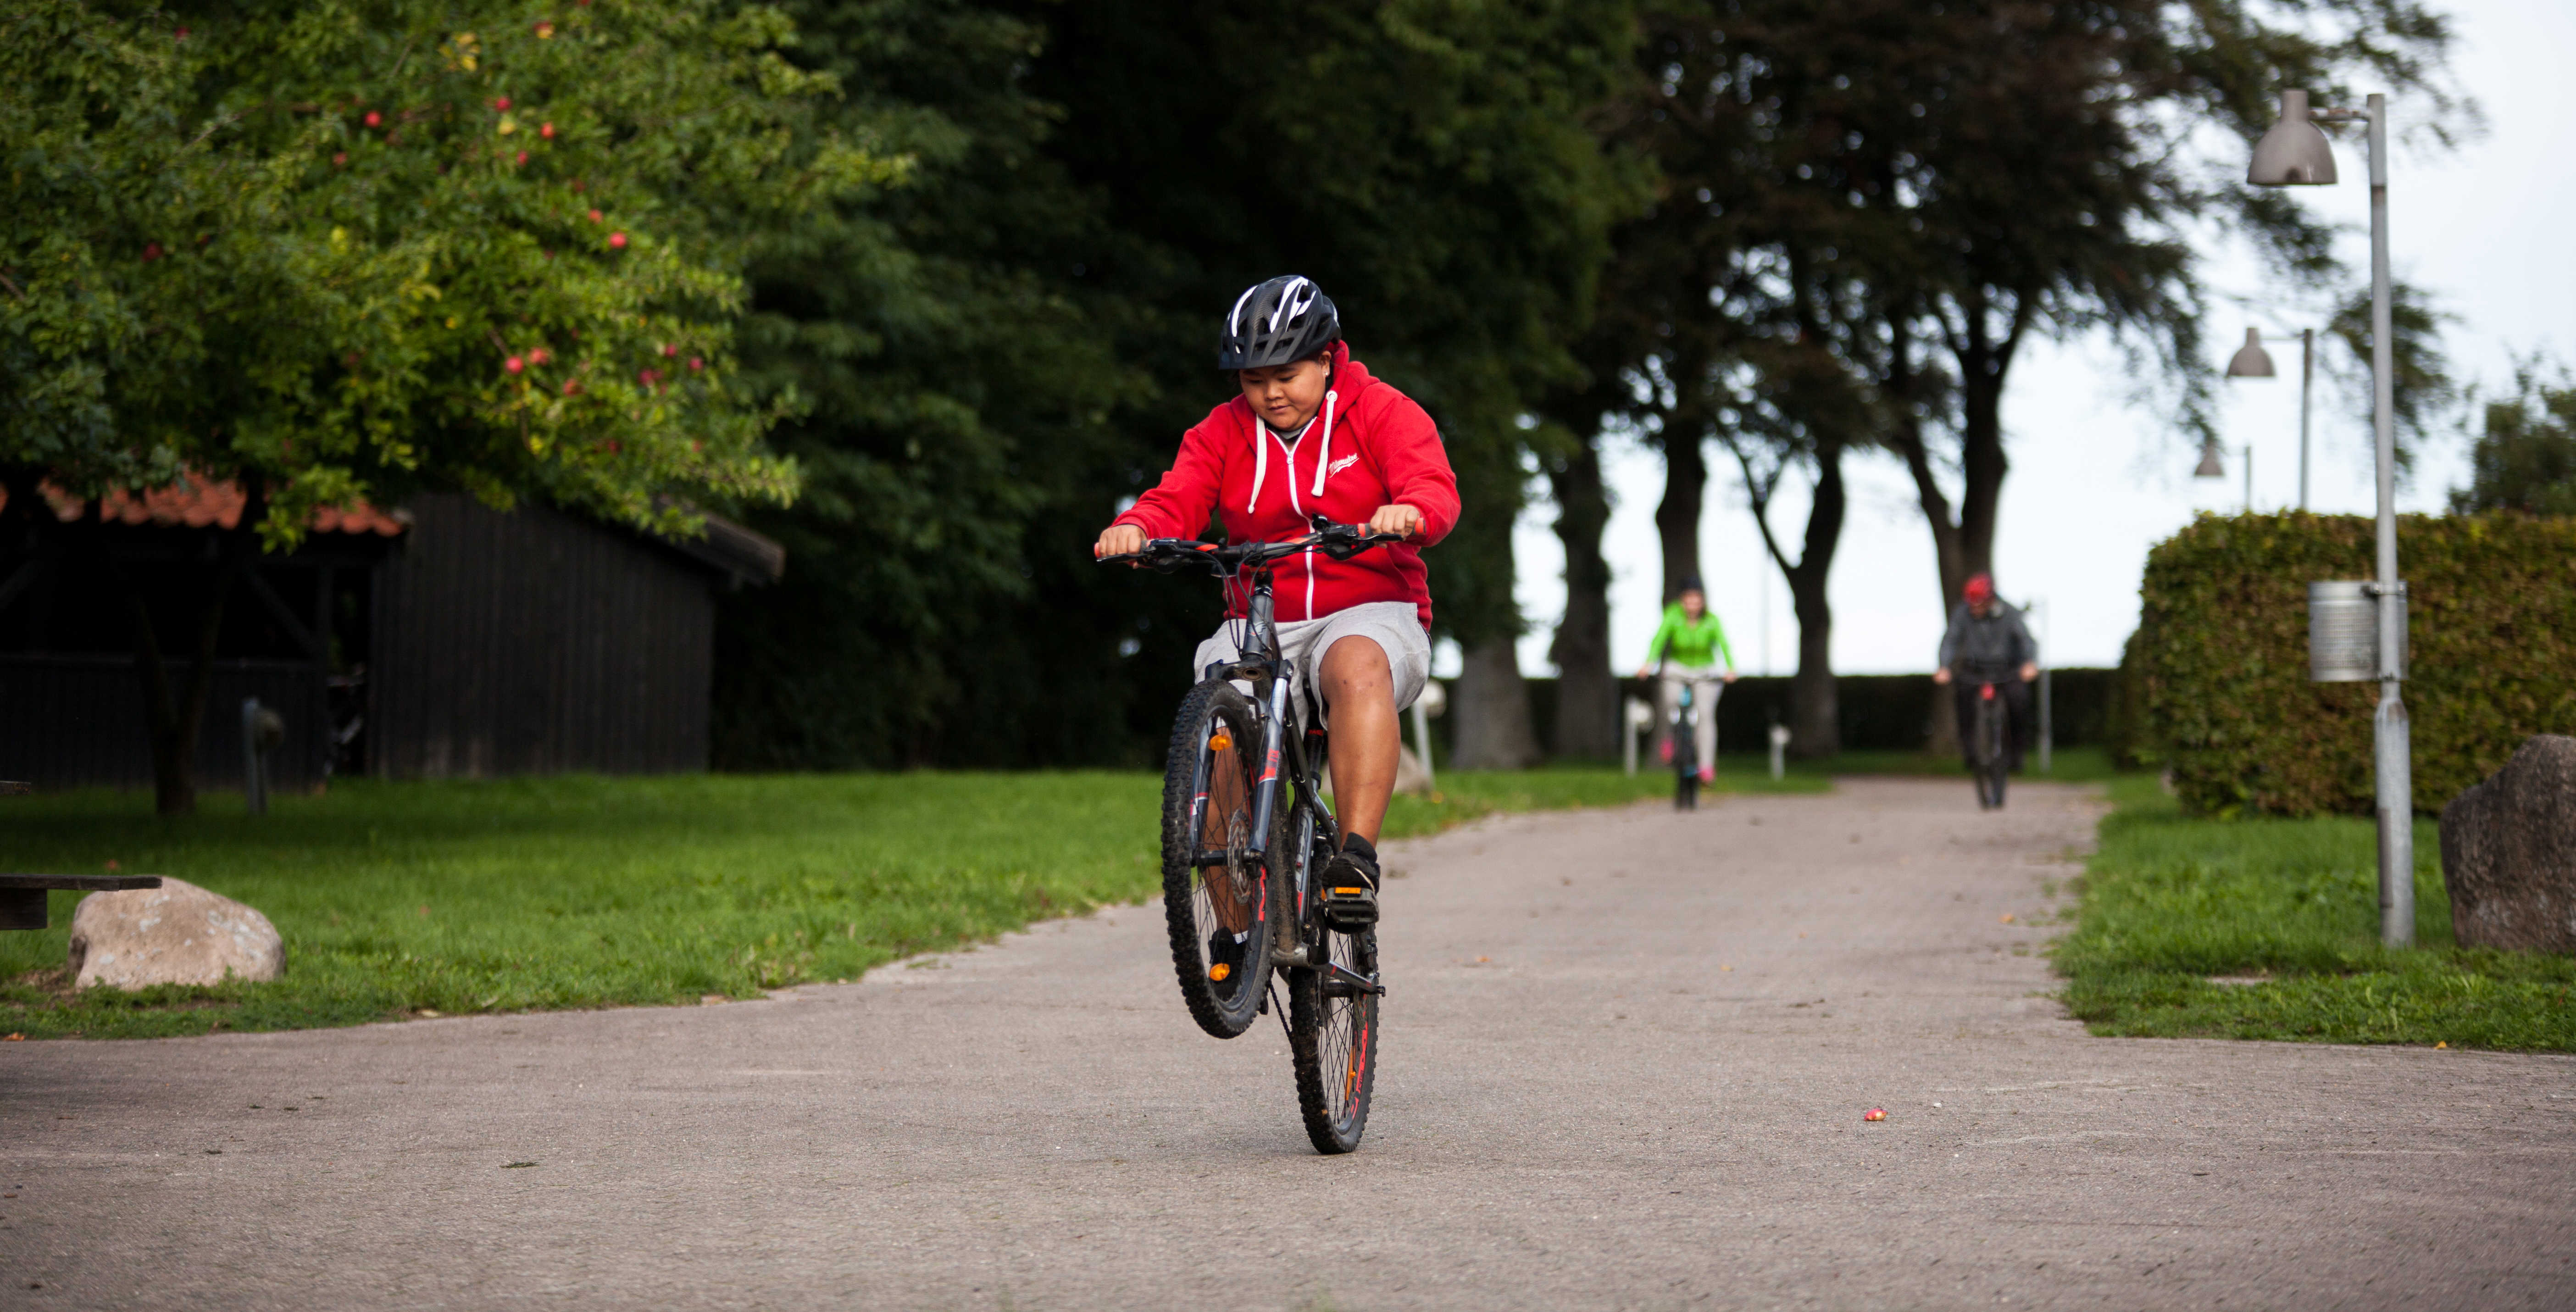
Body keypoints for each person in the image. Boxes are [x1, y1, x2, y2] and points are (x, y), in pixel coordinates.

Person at [1095, 275, 1460, 928]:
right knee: (1218, 716)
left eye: (1286, 374)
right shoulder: (1222, 431)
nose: (1269, 393)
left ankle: (1354, 863)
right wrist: (1141, 527)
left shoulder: (1381, 411)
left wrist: (1409, 513)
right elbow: (1178, 495)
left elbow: (1433, 487)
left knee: (1353, 665)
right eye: (1252, 379)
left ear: (1327, 359)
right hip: (1260, 616)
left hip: (1371, 606)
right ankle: (1240, 936)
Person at [1933, 572, 2038, 769]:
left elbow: (2026, 640)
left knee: (2019, 701)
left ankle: (2017, 753)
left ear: (1990, 599)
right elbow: (1951, 640)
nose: (1974, 608)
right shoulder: (1962, 614)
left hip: (2006, 670)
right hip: (1975, 670)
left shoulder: (2009, 613)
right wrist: (1944, 666)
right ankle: (1971, 752)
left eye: (1979, 603)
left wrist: (2029, 663)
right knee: (1963, 700)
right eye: (1971, 603)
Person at [1634, 582, 1736, 783]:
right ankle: (1670, 739)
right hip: (1678, 668)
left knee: (1705, 714)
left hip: (1705, 671)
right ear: (1682, 601)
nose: (1692, 604)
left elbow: (1723, 644)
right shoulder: (1674, 616)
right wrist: (1649, 663)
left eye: (1696, 600)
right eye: (1688, 600)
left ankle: (1706, 766)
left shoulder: (1711, 621)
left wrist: (1730, 668)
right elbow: (1660, 639)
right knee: (1671, 702)